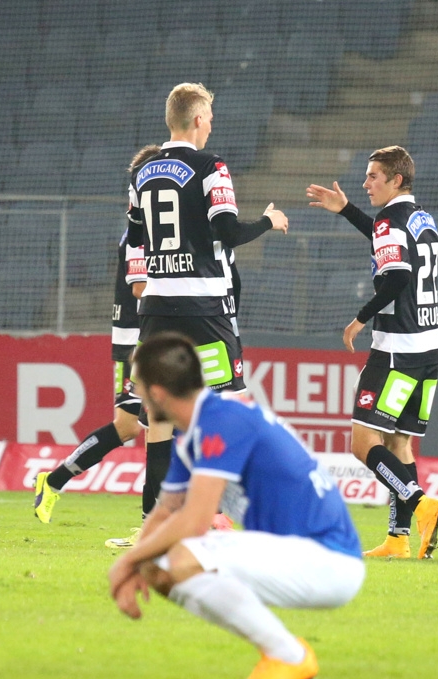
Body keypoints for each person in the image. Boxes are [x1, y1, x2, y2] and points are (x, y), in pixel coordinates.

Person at [107, 333, 364, 679]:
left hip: (328, 560)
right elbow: (166, 511)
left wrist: (124, 563)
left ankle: (287, 656)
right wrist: (140, 564)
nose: (135, 397)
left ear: (158, 393)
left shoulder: (222, 421)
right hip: (299, 554)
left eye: (138, 387)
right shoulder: (195, 431)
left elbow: (194, 522)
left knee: (180, 556)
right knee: (160, 565)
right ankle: (286, 655)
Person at [121, 82, 288, 541]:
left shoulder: (143, 173)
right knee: (228, 408)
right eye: (209, 117)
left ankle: (150, 523)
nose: (211, 125)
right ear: (197, 120)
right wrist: (269, 223)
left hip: (155, 306)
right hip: (204, 307)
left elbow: (136, 237)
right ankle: (220, 514)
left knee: (158, 417)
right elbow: (229, 232)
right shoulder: (211, 167)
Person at [306, 146, 438, 560]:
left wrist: (359, 318)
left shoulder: (389, 220)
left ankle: (420, 503)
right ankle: (398, 538)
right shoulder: (420, 217)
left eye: (373, 177)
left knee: (362, 441)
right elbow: (390, 242)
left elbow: (397, 275)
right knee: (399, 443)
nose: (365, 183)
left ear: (396, 180)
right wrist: (347, 210)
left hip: (394, 350)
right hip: (427, 346)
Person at [33, 145, 156, 532]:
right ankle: (156, 522)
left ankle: (53, 481)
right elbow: (142, 290)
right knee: (153, 427)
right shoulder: (142, 234)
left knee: (131, 427)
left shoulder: (154, 227)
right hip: (138, 339)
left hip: (145, 335)